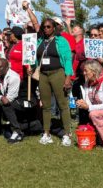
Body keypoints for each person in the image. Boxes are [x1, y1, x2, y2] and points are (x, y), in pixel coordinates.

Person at [34, 18, 73, 146]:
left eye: (48, 27)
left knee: (63, 104)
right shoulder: (39, 41)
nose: (46, 29)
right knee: (45, 105)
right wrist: (32, 68)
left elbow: (68, 59)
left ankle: (67, 134)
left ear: (54, 28)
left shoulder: (61, 41)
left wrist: (68, 77)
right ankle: (46, 133)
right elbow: (35, 58)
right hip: (43, 75)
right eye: (44, 27)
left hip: (58, 73)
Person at [76, 60, 103, 147]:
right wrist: (83, 103)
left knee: (94, 114)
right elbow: (87, 100)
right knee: (89, 112)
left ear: (94, 71)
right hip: (96, 110)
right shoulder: (88, 82)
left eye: (86, 71)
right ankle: (95, 137)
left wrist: (88, 107)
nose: (84, 73)